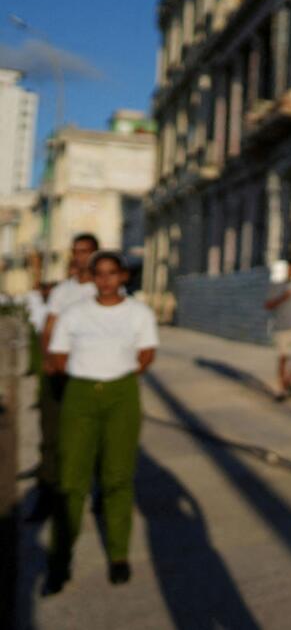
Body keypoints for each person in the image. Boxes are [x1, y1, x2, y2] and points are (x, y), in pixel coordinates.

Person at [43, 251, 158, 593]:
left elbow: (146, 354)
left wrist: (115, 375)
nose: (106, 279)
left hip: (121, 393)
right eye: (100, 273)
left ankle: (119, 555)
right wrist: (90, 376)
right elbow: (59, 356)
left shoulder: (138, 313)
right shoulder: (75, 313)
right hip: (80, 394)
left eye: (113, 273)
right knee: (71, 480)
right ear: (91, 277)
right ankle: (60, 559)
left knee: (117, 477)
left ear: (123, 276)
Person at [29, 234, 99, 523]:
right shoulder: (62, 291)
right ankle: (48, 493)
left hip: (90, 372)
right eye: (76, 251)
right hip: (60, 372)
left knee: (94, 439)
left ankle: (100, 496)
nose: (80, 256)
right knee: (51, 436)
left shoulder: (102, 288)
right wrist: (47, 359)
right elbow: (49, 327)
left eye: (86, 251)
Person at [264, 259, 291, 401]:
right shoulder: (276, 286)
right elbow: (268, 305)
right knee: (283, 359)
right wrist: (283, 297)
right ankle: (282, 390)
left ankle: (289, 381)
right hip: (281, 327)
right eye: (289, 269)